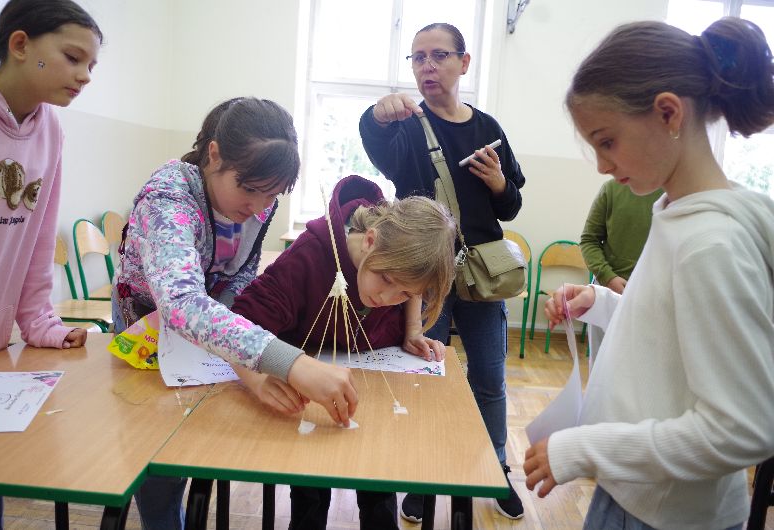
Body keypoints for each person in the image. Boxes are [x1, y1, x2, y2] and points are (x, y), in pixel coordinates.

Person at [523, 18, 774, 530]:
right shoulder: (678, 213)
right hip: (636, 495)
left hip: (663, 516)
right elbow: (675, 338)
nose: (601, 165)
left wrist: (583, 449)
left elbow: (742, 429)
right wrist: (603, 303)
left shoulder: (710, 244)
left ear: (668, 113)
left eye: (607, 141)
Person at [113, 97, 358, 530]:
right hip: (146, 330)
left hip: (209, 332)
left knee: (200, 434)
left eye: (273, 194)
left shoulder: (258, 200)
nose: (259, 206)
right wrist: (288, 361)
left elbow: (241, 276)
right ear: (214, 155)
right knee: (159, 452)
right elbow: (181, 303)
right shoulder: (167, 198)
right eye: (250, 190)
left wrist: (248, 368)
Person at [358, 22, 526, 521]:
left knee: (490, 379)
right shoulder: (407, 126)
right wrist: (376, 115)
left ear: (464, 62)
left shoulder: (488, 127)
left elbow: (511, 206)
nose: (427, 66)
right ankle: (422, 476)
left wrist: (498, 183)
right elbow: (375, 140)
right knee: (424, 375)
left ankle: (496, 470)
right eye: (418, 58)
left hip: (481, 275)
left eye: (438, 55)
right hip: (425, 274)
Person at [232, 174, 457, 530]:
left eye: (403, 293)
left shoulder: (394, 272)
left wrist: (413, 328)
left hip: (374, 382)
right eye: (385, 280)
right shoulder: (309, 255)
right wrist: (259, 378)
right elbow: (239, 324)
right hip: (309, 388)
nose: (385, 298)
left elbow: (410, 284)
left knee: (379, 487)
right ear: (370, 240)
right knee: (310, 492)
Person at [0, 0, 102, 527]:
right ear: (21, 45)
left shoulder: (50, 129)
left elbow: (37, 240)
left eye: (91, 65)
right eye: (73, 57)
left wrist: (41, 322)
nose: (85, 75)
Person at [579, 179, 662, 364]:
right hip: (607, 292)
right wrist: (608, 277)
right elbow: (589, 240)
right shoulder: (611, 189)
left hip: (654, 300)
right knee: (601, 366)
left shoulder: (675, 194)